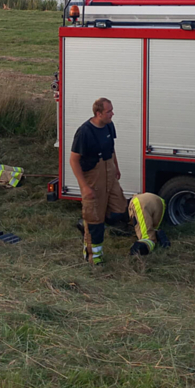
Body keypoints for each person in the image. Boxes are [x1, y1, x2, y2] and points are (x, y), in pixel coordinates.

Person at [69, 97, 128, 265]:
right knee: (95, 219)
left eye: (112, 110)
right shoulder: (84, 132)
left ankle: (85, 224)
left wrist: (116, 167)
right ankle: (93, 257)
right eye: (109, 111)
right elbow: (73, 160)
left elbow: (111, 148)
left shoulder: (109, 125)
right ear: (98, 113)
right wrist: (85, 187)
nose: (112, 113)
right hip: (93, 177)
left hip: (109, 171)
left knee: (119, 210)